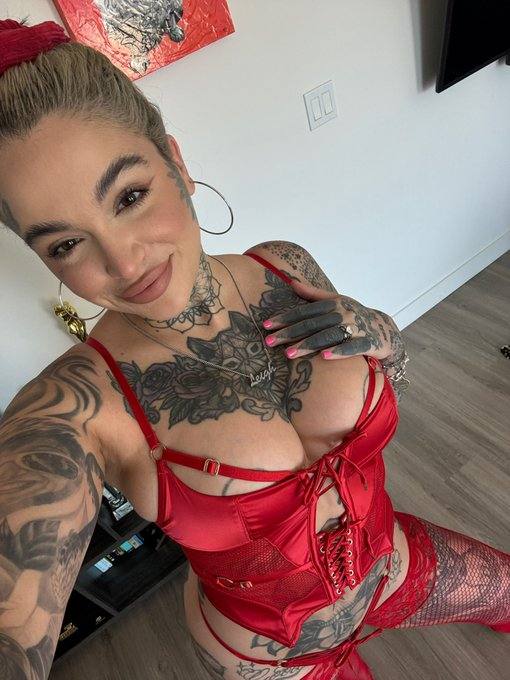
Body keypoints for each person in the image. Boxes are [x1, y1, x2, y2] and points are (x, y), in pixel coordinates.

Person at [0, 18, 508, 680]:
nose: (124, 262)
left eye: (130, 196)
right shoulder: (73, 410)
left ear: (176, 162)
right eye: (66, 244)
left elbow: (395, 380)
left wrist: (382, 333)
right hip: (273, 662)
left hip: (393, 564)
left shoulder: (285, 266)